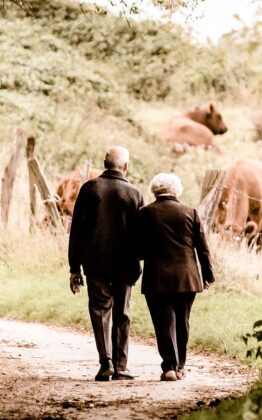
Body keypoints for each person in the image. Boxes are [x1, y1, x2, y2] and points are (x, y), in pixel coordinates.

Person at [68, 146, 144, 381]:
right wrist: (139, 259)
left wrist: (74, 267)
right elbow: (141, 234)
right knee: (122, 312)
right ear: (126, 167)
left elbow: (77, 231)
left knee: (100, 310)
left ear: (104, 163)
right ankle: (121, 367)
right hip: (125, 264)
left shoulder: (89, 189)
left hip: (95, 262)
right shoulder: (134, 193)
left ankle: (106, 362)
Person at [137, 173, 215, 382]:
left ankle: (169, 367)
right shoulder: (190, 212)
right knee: (183, 321)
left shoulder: (145, 213)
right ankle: (181, 366)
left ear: (154, 190)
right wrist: (207, 275)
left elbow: (138, 249)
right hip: (187, 277)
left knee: (163, 323)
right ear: (176, 190)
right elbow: (203, 249)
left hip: (157, 278)